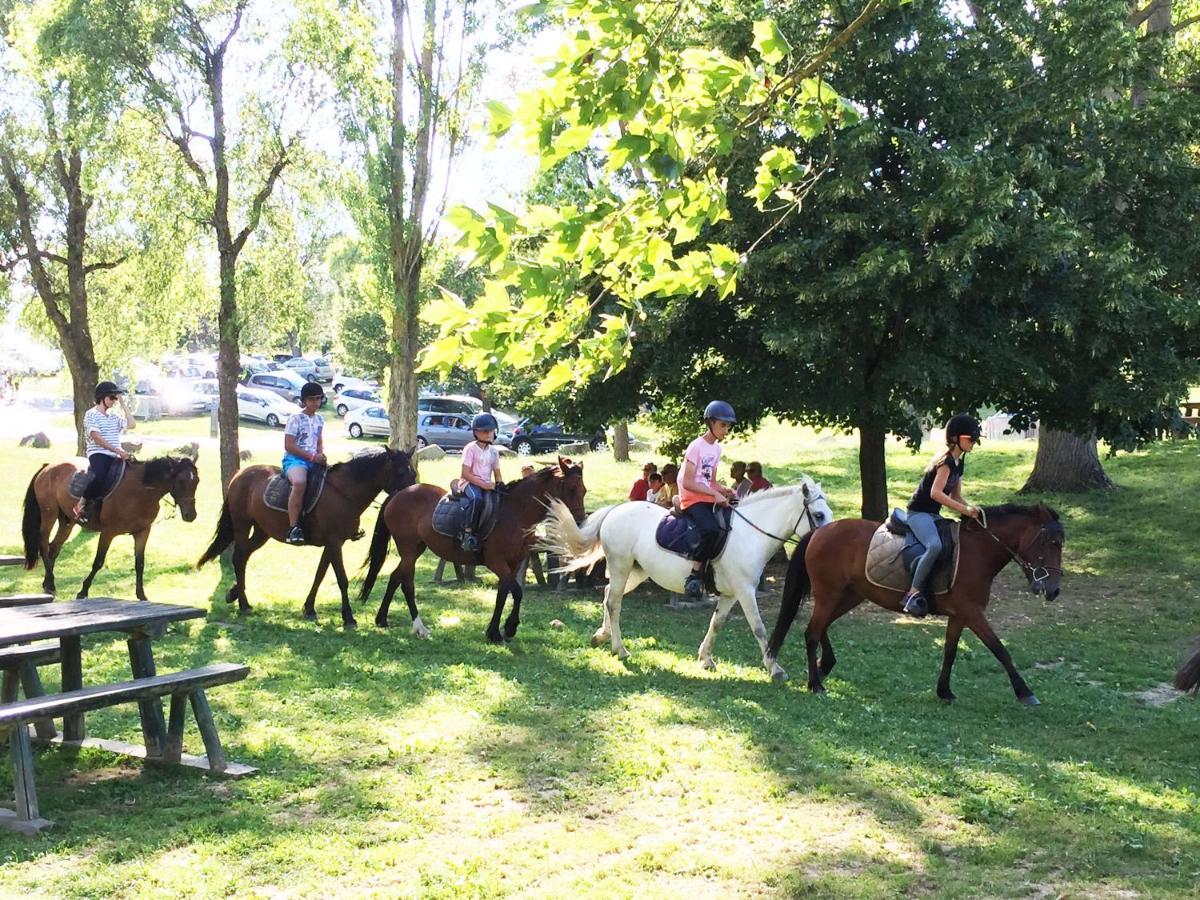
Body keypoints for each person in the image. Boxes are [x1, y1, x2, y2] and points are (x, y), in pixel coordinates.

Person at [902, 413, 982, 617]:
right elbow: (935, 493)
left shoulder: (959, 464)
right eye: (970, 439)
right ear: (955, 438)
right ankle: (912, 593)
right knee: (935, 545)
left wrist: (972, 509)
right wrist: (963, 510)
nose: (973, 443)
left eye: (975, 440)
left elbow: (956, 496)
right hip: (918, 513)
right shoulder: (946, 462)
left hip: (932, 515)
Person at [680, 401, 737, 601]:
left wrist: (724, 490)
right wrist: (714, 495)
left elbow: (709, 481)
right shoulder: (696, 446)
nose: (726, 430)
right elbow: (688, 482)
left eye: (728, 426)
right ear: (710, 423)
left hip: (705, 495)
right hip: (692, 498)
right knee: (711, 529)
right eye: (723, 425)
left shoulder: (717, 450)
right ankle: (695, 575)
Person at [74, 380, 135, 523]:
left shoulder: (114, 417)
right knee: (99, 477)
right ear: (102, 397)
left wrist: (122, 403)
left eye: (115, 398)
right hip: (99, 454)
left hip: (116, 454)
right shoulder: (91, 414)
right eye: (112, 398)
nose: (114, 401)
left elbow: (132, 424)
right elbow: (96, 438)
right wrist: (118, 451)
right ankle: (81, 504)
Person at [283, 381, 327, 544]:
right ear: (304, 401)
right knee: (300, 483)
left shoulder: (320, 419)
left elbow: (319, 441)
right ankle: (293, 527)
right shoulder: (295, 419)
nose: (315, 402)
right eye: (311, 399)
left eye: (318, 398)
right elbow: (289, 445)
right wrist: (311, 457)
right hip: (295, 459)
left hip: (315, 459)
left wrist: (321, 455)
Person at [459, 412, 503, 551]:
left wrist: (501, 485)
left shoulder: (494, 452)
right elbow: (465, 473)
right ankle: (467, 533)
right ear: (476, 432)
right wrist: (483, 484)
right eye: (485, 431)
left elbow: (497, 472)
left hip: (487, 484)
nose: (489, 433)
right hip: (469, 483)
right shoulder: (470, 449)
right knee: (476, 499)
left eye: (491, 430)